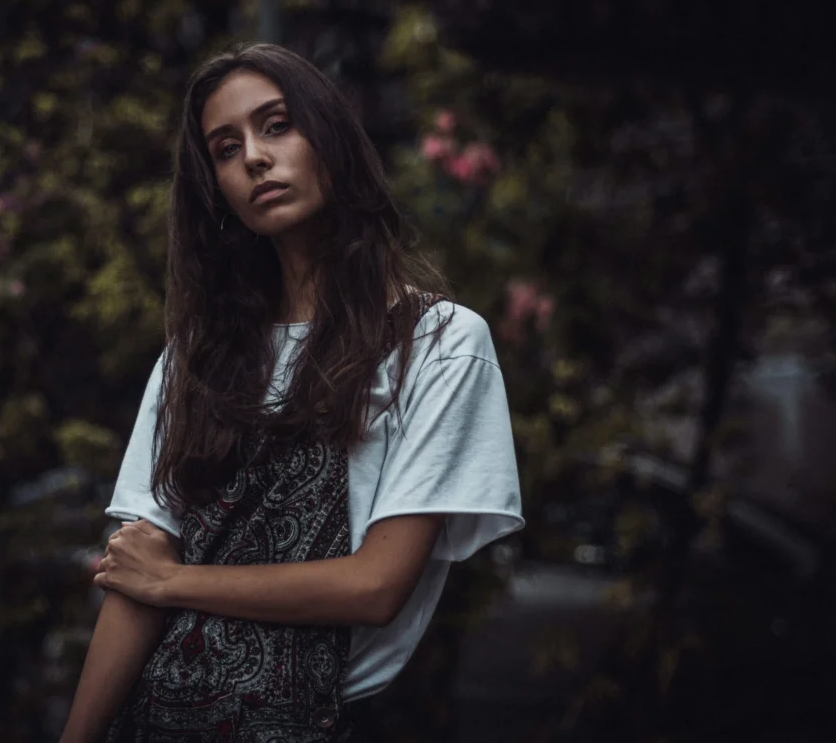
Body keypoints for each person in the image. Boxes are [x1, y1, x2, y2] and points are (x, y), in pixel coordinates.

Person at [58, 42, 524, 743]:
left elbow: (375, 587)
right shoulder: (196, 356)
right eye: (225, 147)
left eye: (276, 125)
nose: (253, 157)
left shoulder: (438, 344)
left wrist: (175, 582)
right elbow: (135, 578)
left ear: (329, 139)